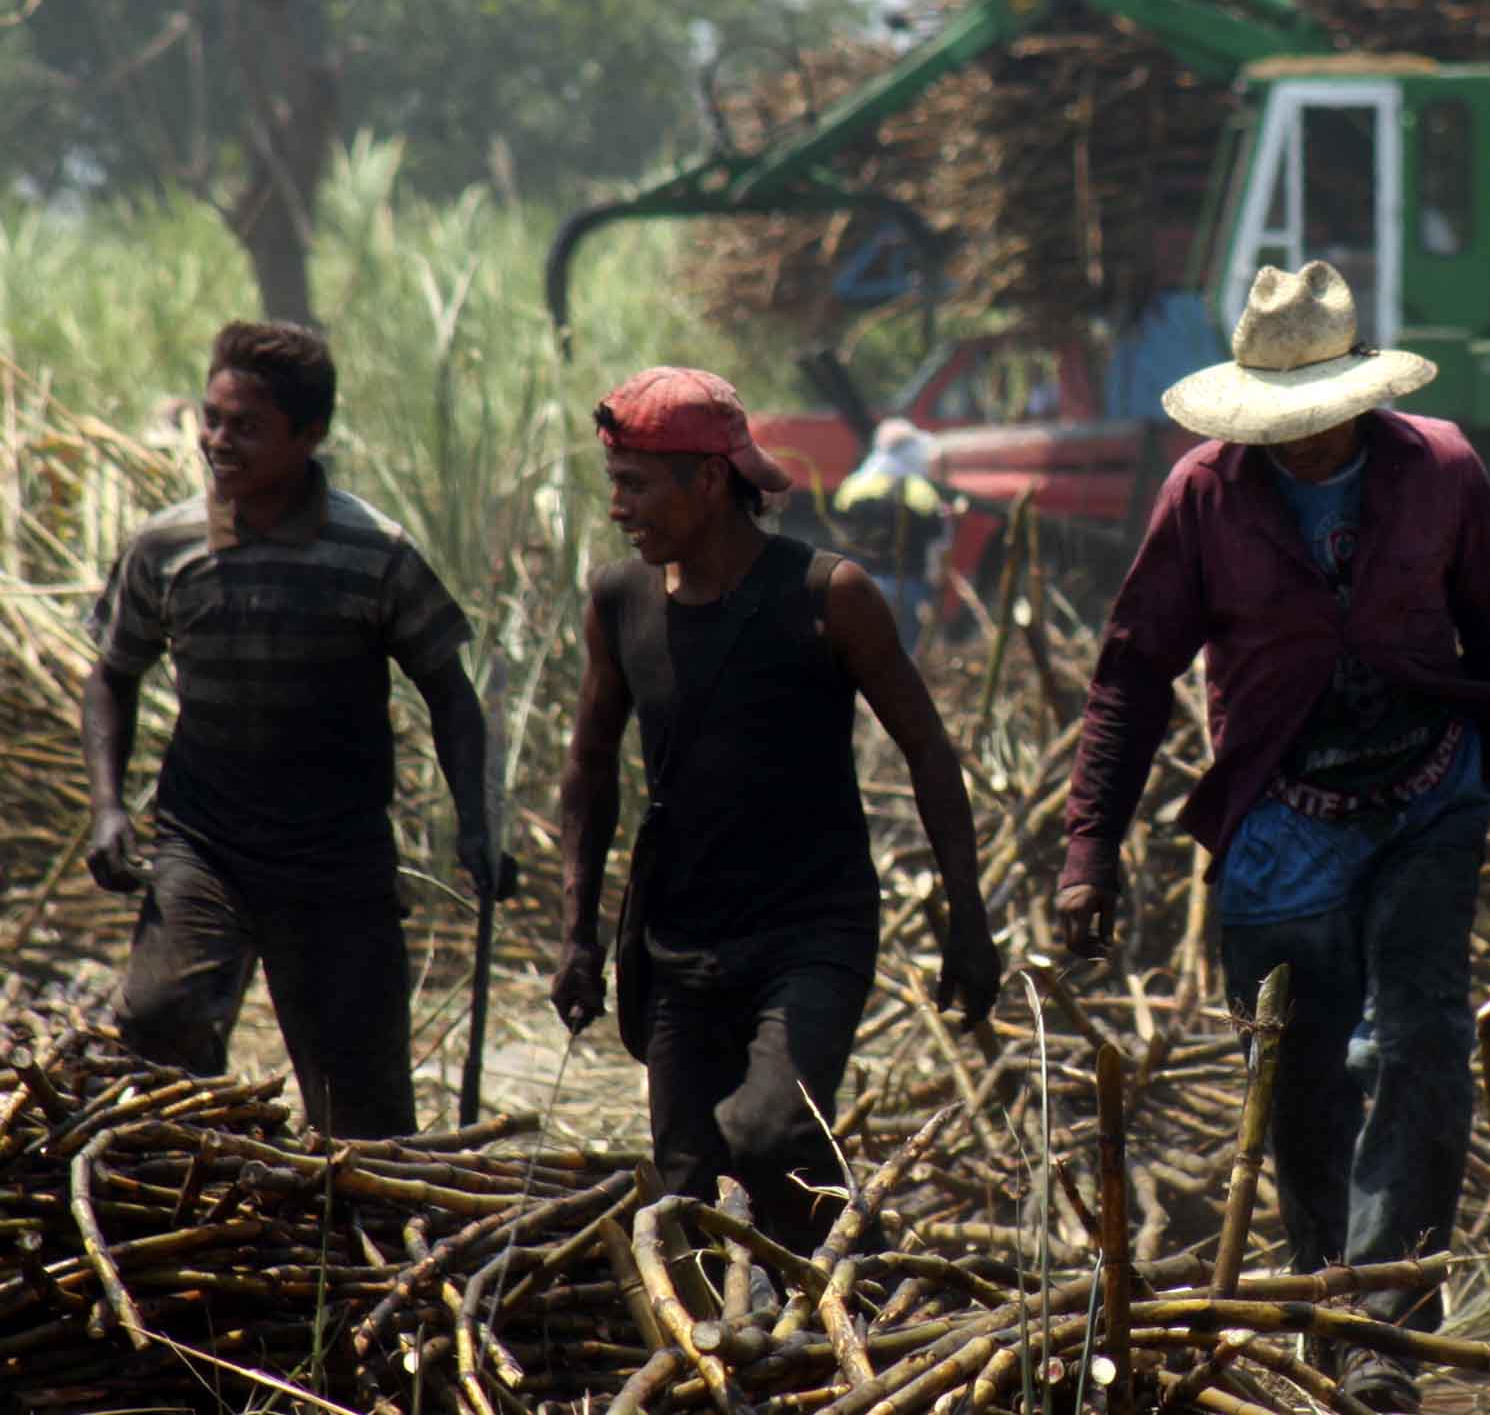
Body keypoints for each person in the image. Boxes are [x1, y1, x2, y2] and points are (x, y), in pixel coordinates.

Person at [1055, 262, 1490, 1413]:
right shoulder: (1203, 494)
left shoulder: (1440, 469)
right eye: (1281, 428)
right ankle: (1327, 1298)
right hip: (1279, 817)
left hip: (1425, 796)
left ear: (1359, 398)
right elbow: (1130, 678)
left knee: (1417, 1043)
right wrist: (1087, 851)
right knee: (1299, 1079)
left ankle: (1382, 1330)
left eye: (1319, 425)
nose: (1301, 447)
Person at [550, 367, 1000, 1253]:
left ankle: (858, 1283)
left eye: (635, 484)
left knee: (772, 1136)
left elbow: (927, 751)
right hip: (679, 942)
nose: (617, 508)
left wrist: (968, 919)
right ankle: (751, 1362)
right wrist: (579, 932)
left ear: (709, 480)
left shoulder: (827, 597)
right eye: (614, 484)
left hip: (809, 932)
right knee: (686, 1190)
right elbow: (589, 766)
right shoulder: (620, 601)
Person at [83, 320, 502, 1137]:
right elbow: (111, 676)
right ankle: (190, 1198)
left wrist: (477, 825)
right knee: (158, 1027)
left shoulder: (373, 551)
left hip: (334, 857)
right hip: (204, 842)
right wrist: (106, 807)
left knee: (364, 1111)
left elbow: (451, 693)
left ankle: (362, 1249)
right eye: (211, 418)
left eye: (246, 427)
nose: (217, 441)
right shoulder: (164, 545)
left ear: (310, 436)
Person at [831, 417, 956, 656]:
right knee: (903, 653)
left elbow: (839, 531)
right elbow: (939, 539)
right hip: (906, 584)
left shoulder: (852, 486)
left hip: (859, 581)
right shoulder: (921, 492)